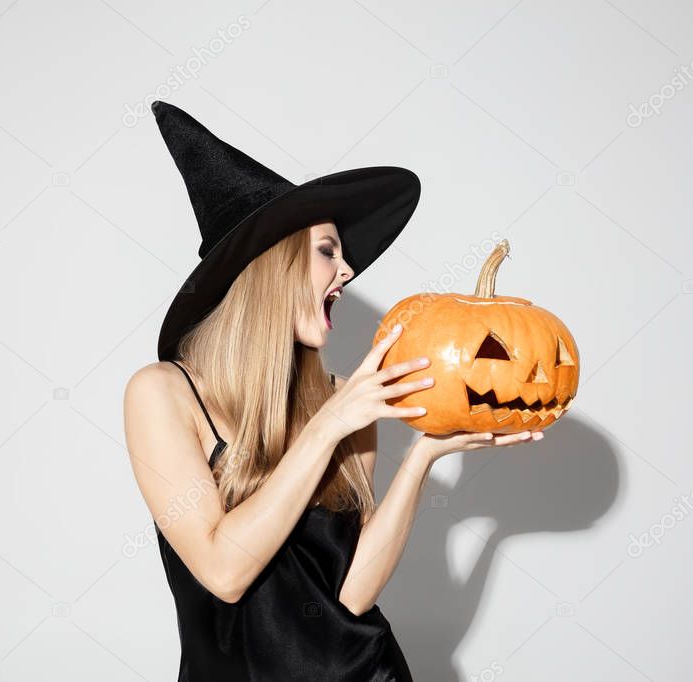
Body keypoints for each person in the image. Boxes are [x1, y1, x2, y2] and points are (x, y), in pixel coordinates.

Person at [123, 101, 544, 681]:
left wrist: (422, 456)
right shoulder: (163, 394)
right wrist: (328, 427)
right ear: (270, 265)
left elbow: (352, 594)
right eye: (328, 251)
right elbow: (223, 572)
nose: (347, 271)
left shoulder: (344, 400)